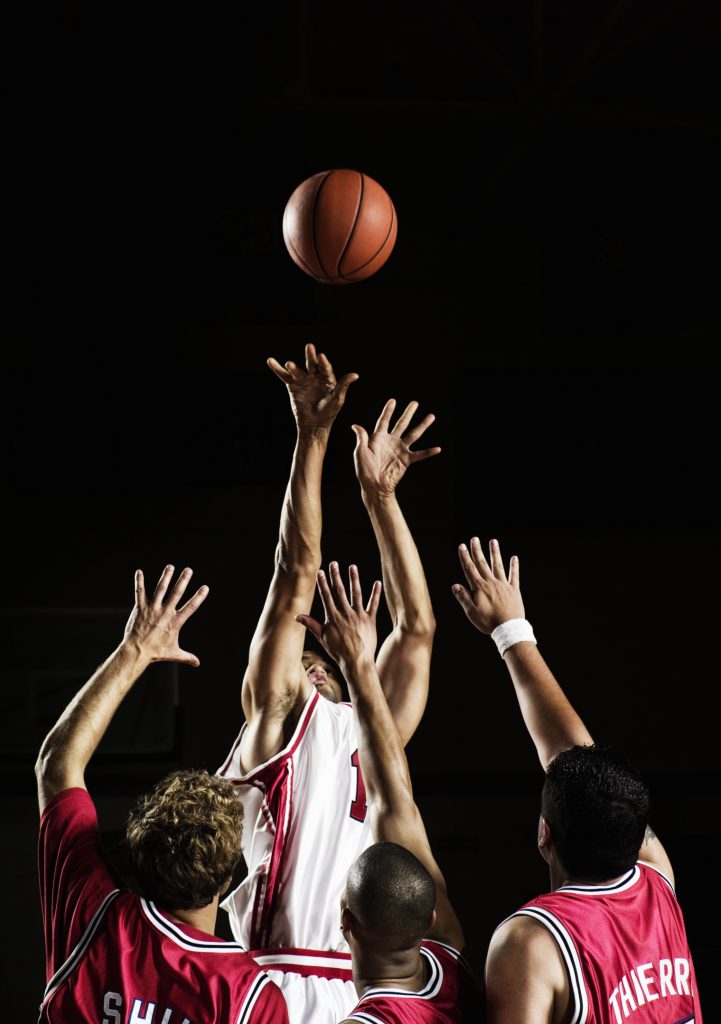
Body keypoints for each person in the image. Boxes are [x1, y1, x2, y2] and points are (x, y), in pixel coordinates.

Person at [217, 345, 440, 1021]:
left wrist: (382, 498)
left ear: (343, 672)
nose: (311, 659)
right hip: (272, 980)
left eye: (324, 659)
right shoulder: (278, 717)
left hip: (353, 988)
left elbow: (416, 627)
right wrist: (310, 439)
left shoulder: (377, 730)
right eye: (305, 654)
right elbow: (297, 570)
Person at [451, 536, 704, 1024]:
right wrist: (510, 630)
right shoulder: (656, 882)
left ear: (544, 834)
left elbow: (571, 761)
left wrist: (509, 629)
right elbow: (574, 762)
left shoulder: (532, 941)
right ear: (637, 838)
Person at [35, 565, 290, 1024]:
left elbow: (56, 764)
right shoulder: (248, 995)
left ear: (136, 858)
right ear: (228, 879)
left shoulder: (93, 917)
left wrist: (136, 649)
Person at [297, 560, 484, 1024]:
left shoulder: (349, 727)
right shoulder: (455, 968)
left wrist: (357, 666)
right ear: (431, 920)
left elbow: (417, 627)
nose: (314, 672)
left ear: (346, 924)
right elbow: (394, 801)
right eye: (303, 668)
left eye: (319, 666)